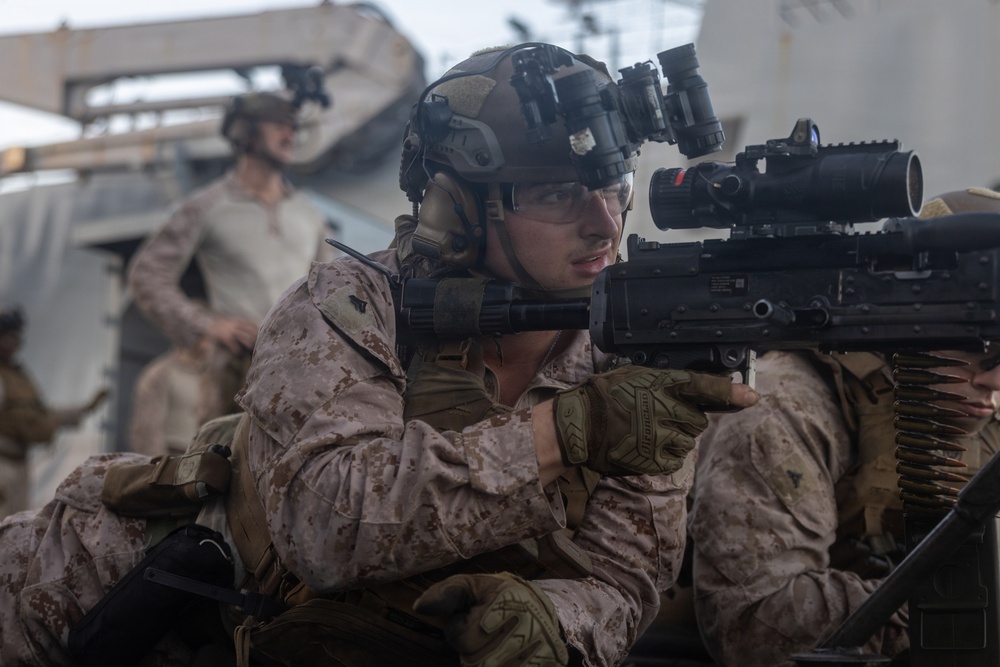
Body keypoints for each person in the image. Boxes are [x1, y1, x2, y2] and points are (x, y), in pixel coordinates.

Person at [0, 44, 757, 667]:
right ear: (461, 205)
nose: (603, 222)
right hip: (89, 594)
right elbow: (329, 528)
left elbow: (626, 579)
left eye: (614, 185)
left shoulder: (629, 354)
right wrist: (563, 434)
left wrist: (552, 620)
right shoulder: (353, 303)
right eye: (560, 192)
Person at [687, 188, 1000, 667]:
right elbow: (756, 626)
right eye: (980, 348)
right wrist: (961, 612)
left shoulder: (987, 407)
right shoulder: (782, 409)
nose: (996, 379)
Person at [126, 90, 335, 427]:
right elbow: (147, 274)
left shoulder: (309, 215)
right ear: (246, 133)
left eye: (293, 127)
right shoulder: (209, 206)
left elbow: (331, 292)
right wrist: (206, 326)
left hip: (304, 376)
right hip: (237, 380)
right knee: (229, 474)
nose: (290, 134)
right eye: (278, 125)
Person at [0, 307, 109, 520]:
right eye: (7, 337)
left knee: (13, 527)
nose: (12, 343)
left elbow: (40, 416)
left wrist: (84, 409)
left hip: (18, 464)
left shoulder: (17, 375)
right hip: (3, 462)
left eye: (15, 337)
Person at [128, 343, 208, 457]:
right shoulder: (161, 373)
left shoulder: (218, 374)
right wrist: (160, 466)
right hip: (173, 457)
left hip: (209, 457)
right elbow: (147, 430)